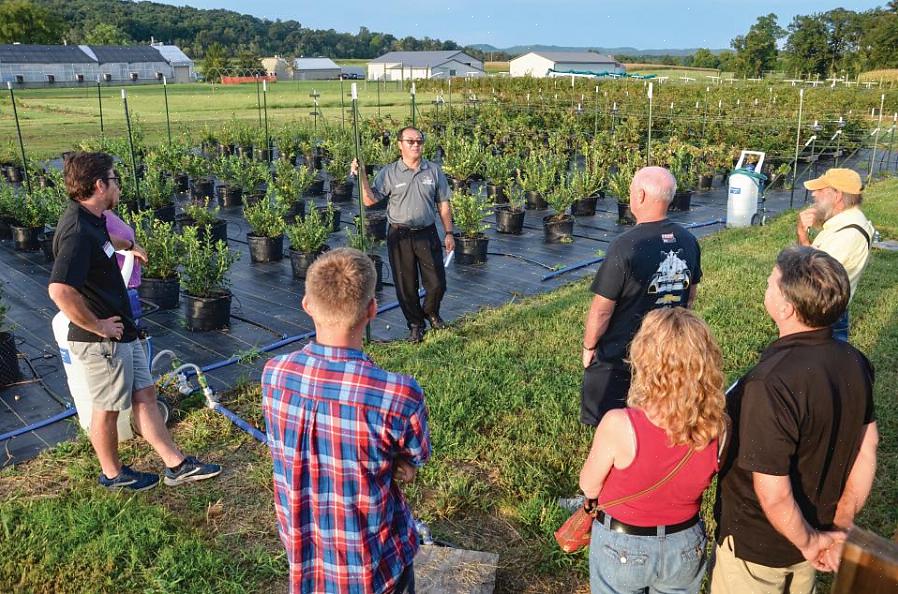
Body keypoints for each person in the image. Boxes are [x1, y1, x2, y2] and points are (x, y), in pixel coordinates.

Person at [48, 152, 221, 491]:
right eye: (114, 179)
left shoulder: (93, 218)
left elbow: (102, 244)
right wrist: (98, 326)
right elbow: (60, 290)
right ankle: (113, 475)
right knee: (108, 408)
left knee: (145, 395)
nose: (119, 185)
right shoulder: (76, 231)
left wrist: (127, 245)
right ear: (99, 184)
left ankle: (176, 465)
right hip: (102, 342)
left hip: (123, 331)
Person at [262, 248, 430, 594]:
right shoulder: (398, 395)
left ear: (307, 305)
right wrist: (401, 463)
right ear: (372, 309)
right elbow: (414, 457)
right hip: (377, 567)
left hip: (307, 561)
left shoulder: (274, 375)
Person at [712, 246, 878, 594]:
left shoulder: (770, 384)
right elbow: (866, 448)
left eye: (771, 282)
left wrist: (809, 543)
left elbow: (772, 493)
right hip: (818, 532)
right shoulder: (854, 362)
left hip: (760, 548)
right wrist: (839, 525)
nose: (767, 286)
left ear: (787, 307)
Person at [579, 307, 726, 594]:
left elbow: (588, 485)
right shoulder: (718, 426)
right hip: (685, 543)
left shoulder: (620, 424)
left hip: (622, 544)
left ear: (644, 357)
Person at [580, 166, 702, 426]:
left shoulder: (626, 246)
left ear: (641, 196)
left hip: (623, 351)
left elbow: (602, 309)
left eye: (632, 190)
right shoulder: (688, 240)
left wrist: (589, 346)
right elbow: (690, 295)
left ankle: (608, 432)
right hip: (666, 346)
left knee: (601, 392)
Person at [351, 126, 455, 343]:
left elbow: (443, 205)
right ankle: (416, 325)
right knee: (405, 285)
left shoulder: (433, 171)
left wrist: (449, 233)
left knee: (437, 283)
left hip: (427, 233)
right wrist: (361, 176)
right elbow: (370, 200)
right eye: (411, 141)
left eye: (419, 141)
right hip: (399, 236)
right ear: (400, 145)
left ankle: (431, 312)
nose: (416, 145)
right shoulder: (389, 172)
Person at [797, 167, 874, 341]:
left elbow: (812, 278)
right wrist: (802, 232)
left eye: (820, 190)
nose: (814, 194)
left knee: (821, 364)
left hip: (825, 316)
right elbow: (812, 260)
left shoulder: (847, 234)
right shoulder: (844, 223)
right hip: (826, 311)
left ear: (837, 195)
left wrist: (802, 236)